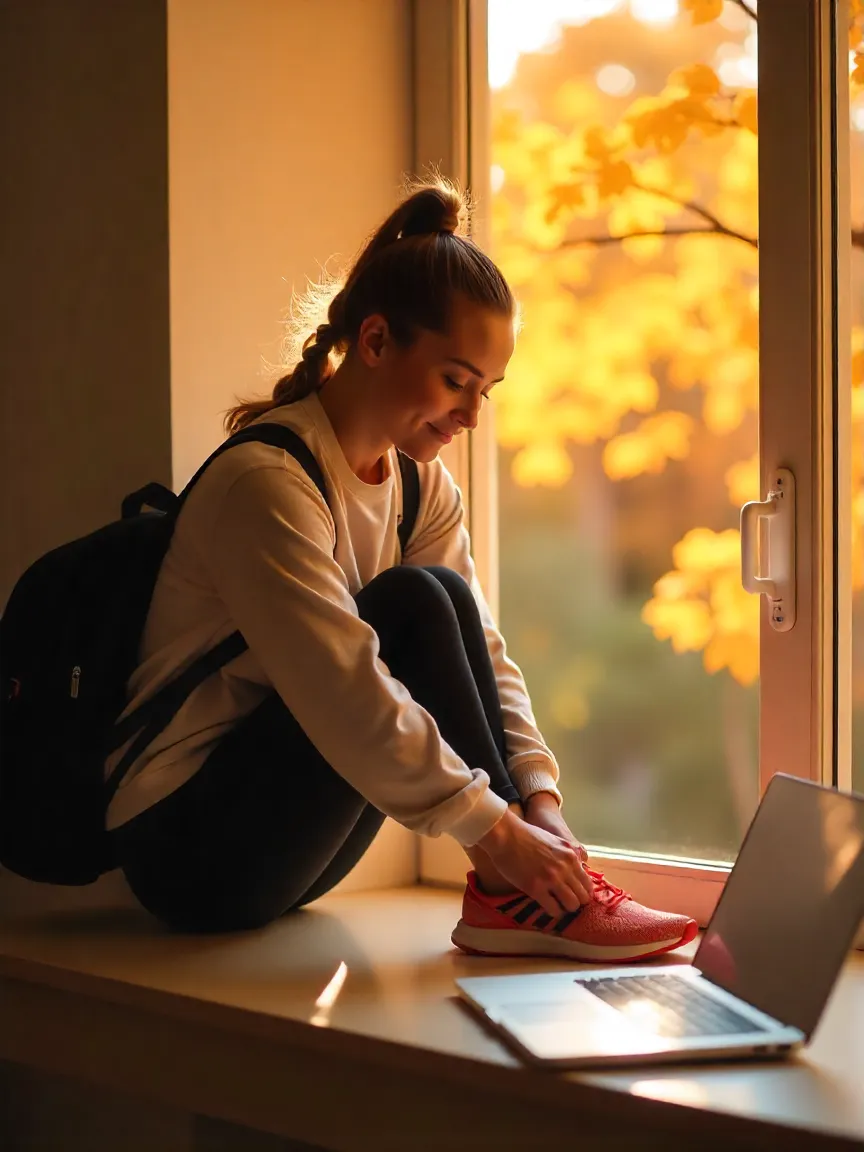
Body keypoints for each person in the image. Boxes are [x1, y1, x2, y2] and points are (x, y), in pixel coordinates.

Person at [105, 179, 696, 961]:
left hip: (295, 835)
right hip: (188, 850)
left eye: (486, 390)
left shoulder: (420, 487)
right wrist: (498, 834)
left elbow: (482, 654)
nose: (472, 414)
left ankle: (517, 898)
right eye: (456, 380)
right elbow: (342, 685)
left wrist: (540, 804)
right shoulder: (266, 484)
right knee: (416, 599)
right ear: (377, 342)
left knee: (440, 598)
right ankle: (516, 892)